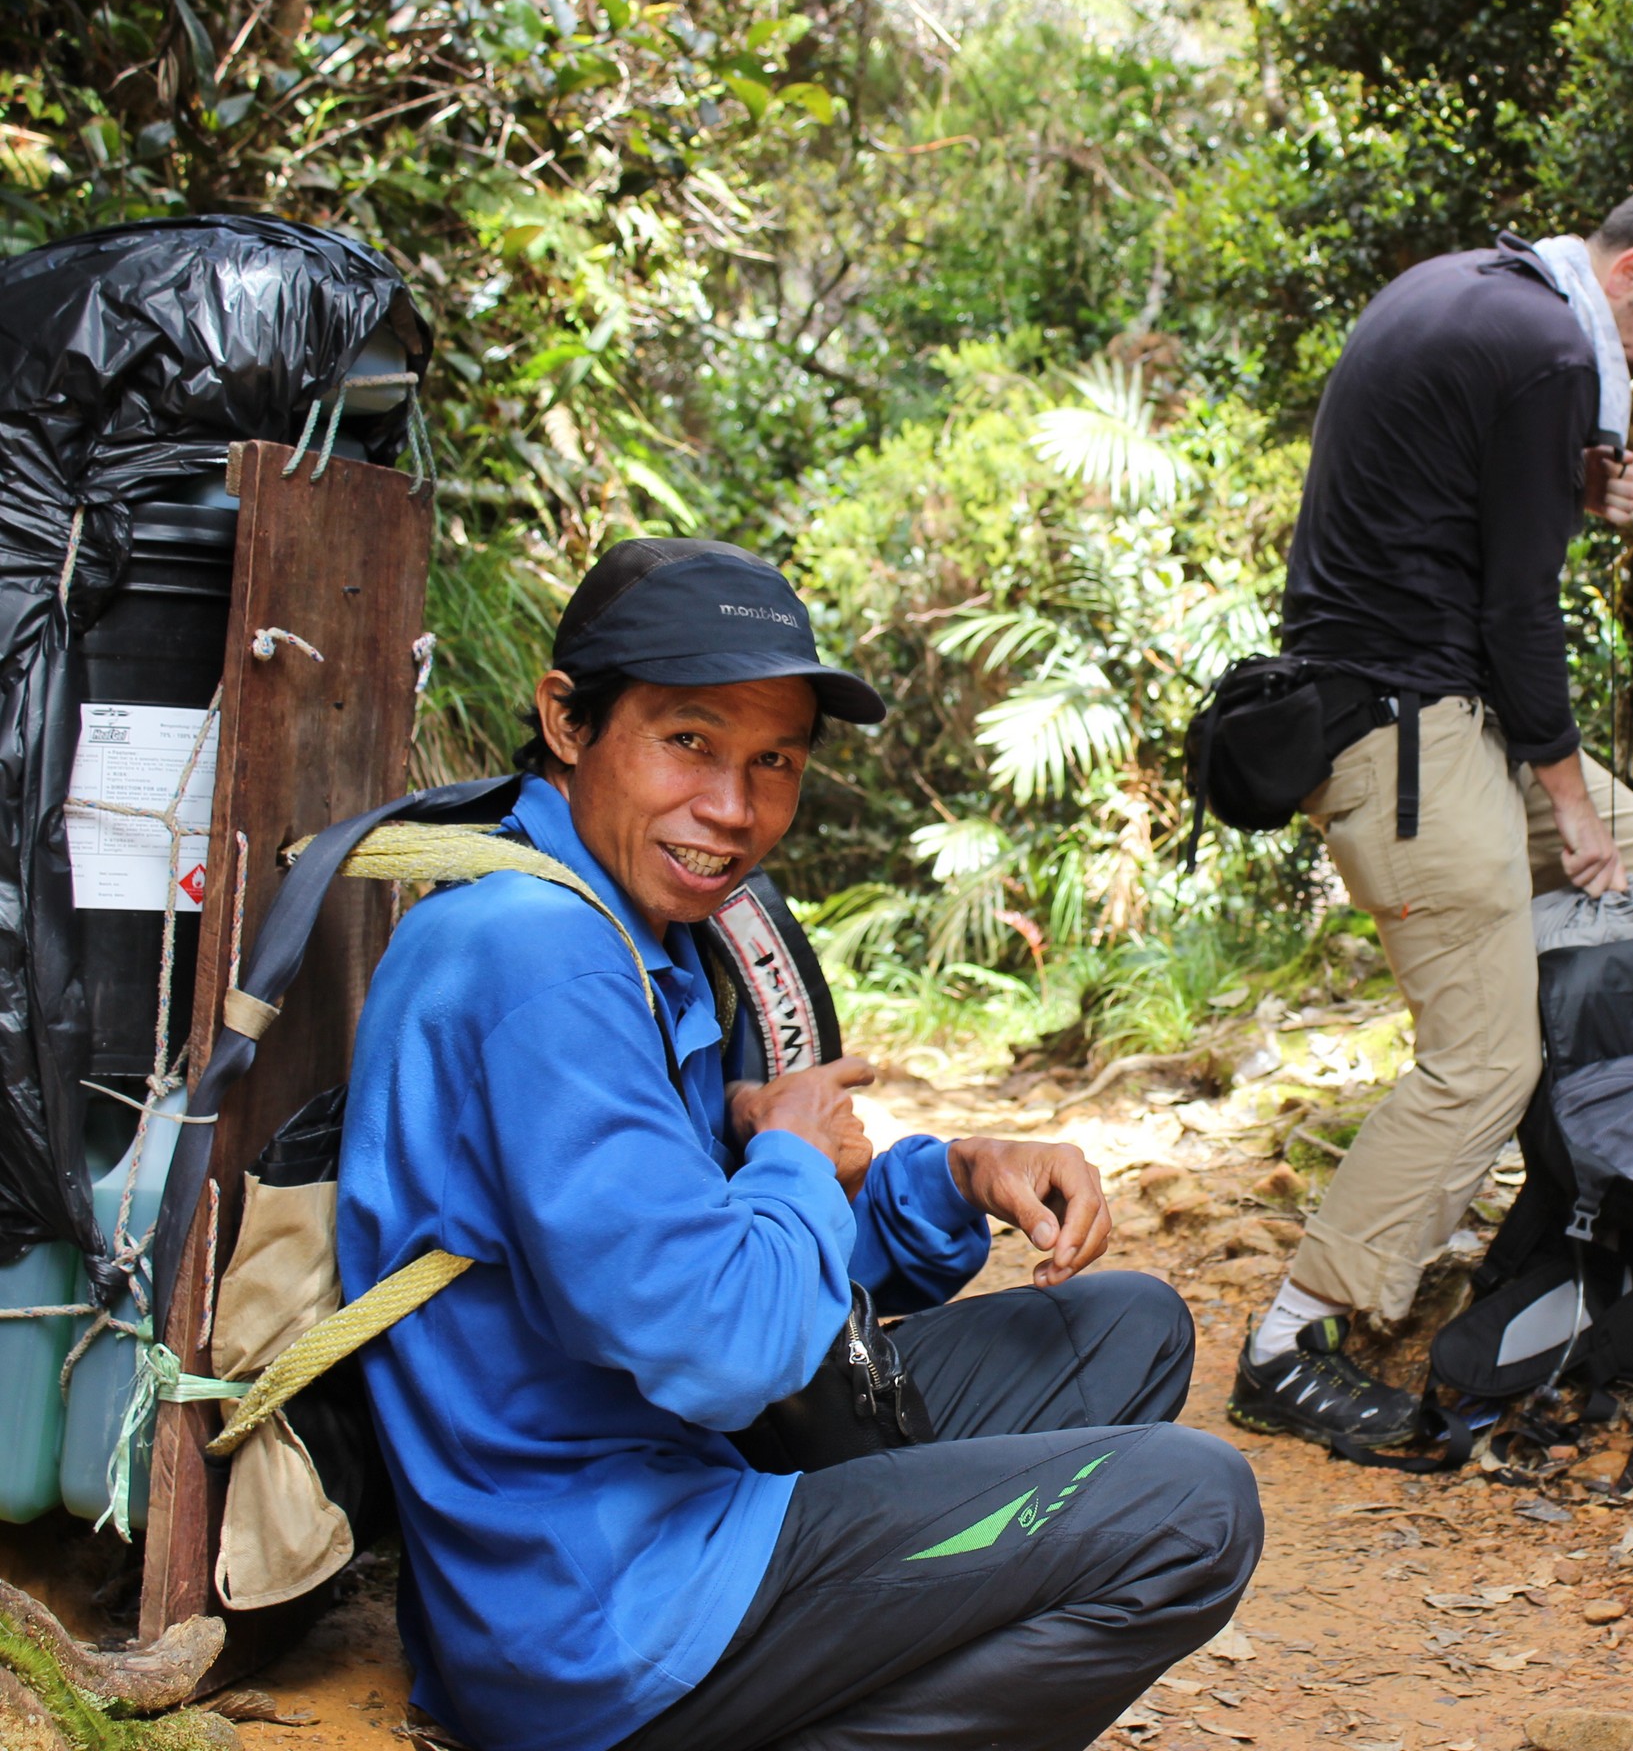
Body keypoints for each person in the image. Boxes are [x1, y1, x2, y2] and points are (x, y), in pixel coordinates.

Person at [337, 538, 1262, 1751]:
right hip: (597, 1608)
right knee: (1192, 1510)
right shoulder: (537, 953)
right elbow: (728, 1343)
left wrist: (953, 1175)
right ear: (567, 720)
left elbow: (755, 1263)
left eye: (772, 761)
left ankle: (826, 1663)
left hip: (695, 1475)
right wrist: (786, 1153)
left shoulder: (636, 927)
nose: (732, 808)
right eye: (689, 743)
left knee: (1125, 1326)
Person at [1229, 185, 1633, 1448]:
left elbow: (1448, 524)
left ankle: (1580, 1195)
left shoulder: (1482, 293)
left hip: (1437, 713)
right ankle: (1294, 1331)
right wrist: (1567, 799)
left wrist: (1579, 493)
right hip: (1401, 734)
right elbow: (1518, 616)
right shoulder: (1548, 348)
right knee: (1482, 1055)